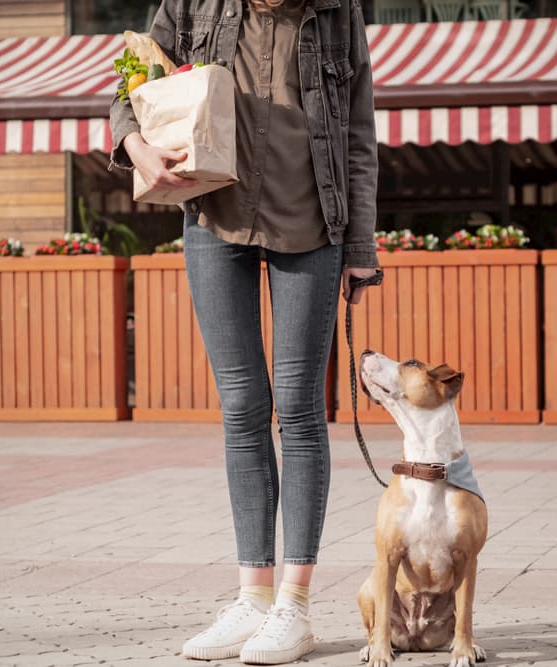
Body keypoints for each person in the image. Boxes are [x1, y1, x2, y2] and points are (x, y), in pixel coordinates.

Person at [109, 0, 379, 663]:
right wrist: (140, 150)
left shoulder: (336, 13)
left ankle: (294, 606)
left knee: (299, 411)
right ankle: (252, 598)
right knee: (241, 408)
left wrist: (361, 244)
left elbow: (359, 133)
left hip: (312, 226)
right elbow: (129, 79)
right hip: (211, 219)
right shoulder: (196, 2)